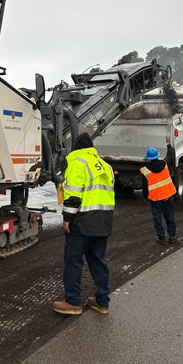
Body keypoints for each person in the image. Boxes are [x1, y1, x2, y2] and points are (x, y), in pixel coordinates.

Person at [52, 132, 115, 316]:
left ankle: (73, 302)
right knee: (98, 262)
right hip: (103, 222)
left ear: (77, 148)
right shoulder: (105, 166)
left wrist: (67, 219)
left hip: (82, 222)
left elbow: (73, 195)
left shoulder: (77, 163)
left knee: (73, 261)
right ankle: (102, 302)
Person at [140, 138, 177, 245]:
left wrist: (145, 197)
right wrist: (169, 145)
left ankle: (162, 238)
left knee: (157, 219)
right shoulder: (165, 164)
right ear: (157, 155)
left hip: (155, 198)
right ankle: (172, 237)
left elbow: (145, 187)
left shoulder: (145, 170)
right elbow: (170, 156)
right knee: (170, 216)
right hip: (168, 195)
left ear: (148, 158)